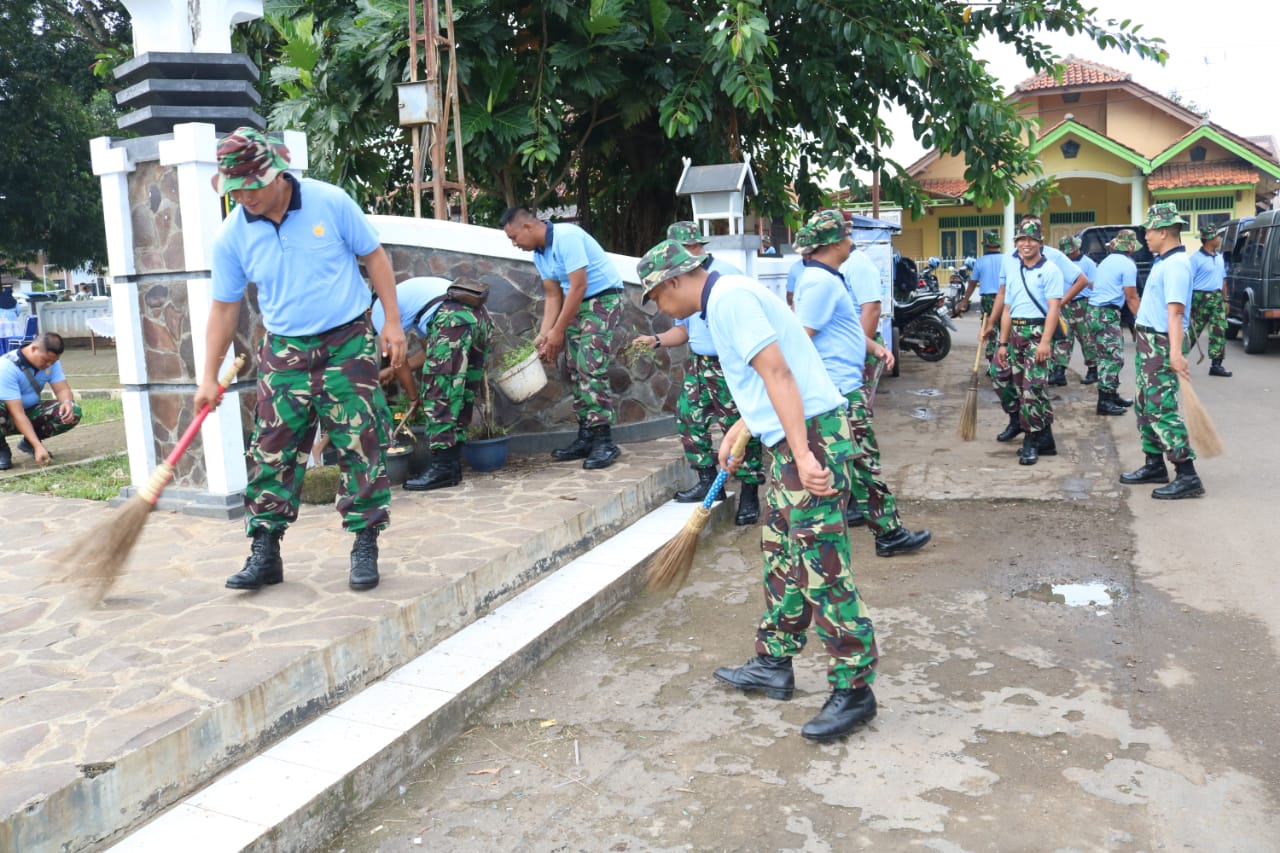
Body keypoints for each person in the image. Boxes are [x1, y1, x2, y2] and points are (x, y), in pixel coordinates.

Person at [637, 237, 878, 742]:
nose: (659, 308)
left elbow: (779, 372)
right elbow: (763, 380)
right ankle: (774, 662)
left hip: (810, 434)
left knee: (822, 564)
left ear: (676, 281)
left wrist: (805, 453)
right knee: (782, 554)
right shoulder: (724, 299)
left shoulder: (729, 300)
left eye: (656, 296)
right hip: (793, 435)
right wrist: (742, 429)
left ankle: (854, 687)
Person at [196, 127, 407, 593]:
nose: (243, 196)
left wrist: (392, 322)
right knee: (272, 449)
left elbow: (375, 258)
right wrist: (208, 376)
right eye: (234, 188)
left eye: (251, 184)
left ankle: (364, 542)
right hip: (285, 350)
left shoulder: (329, 202)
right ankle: (265, 551)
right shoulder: (231, 235)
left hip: (346, 341)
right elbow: (225, 308)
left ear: (276, 173)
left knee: (359, 444)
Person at [793, 210, 930, 557]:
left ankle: (884, 531)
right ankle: (886, 532)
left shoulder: (826, 278)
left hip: (840, 387)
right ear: (836, 243)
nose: (851, 242)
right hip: (838, 392)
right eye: (847, 236)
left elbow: (840, 328)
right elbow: (799, 339)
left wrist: (871, 346)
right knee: (862, 462)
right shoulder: (821, 283)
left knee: (857, 463)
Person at [632, 222, 764, 524]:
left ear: (694, 248)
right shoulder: (687, 286)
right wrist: (655, 341)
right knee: (688, 414)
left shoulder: (725, 277)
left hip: (728, 365)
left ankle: (748, 492)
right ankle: (707, 481)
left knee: (739, 426)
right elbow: (683, 331)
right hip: (700, 362)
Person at [499, 207, 622, 470]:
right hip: (576, 304)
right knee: (572, 367)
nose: (514, 244)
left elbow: (579, 286)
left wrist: (558, 331)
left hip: (603, 300)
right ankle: (587, 434)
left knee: (590, 364)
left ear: (528, 228)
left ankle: (604, 441)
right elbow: (554, 295)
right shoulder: (539, 254)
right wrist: (544, 335)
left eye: (514, 237)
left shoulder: (567, 237)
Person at [370, 276, 492, 492]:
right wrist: (392, 371)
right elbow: (430, 352)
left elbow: (399, 360)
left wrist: (413, 397)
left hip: (451, 318)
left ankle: (443, 467)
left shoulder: (379, 310)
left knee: (439, 394)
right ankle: (451, 465)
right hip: (478, 317)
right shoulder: (414, 302)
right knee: (461, 393)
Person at [1119, 203, 1204, 499]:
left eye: (1149, 231)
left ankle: (1187, 474)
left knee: (1161, 408)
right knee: (1144, 405)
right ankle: (1154, 463)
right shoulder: (1163, 261)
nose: (1145, 236)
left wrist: (1176, 353)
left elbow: (1176, 313)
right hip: (1147, 342)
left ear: (1164, 231)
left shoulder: (1177, 265)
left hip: (1160, 343)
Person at [993, 217, 1064, 466]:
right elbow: (1007, 310)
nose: (1026, 244)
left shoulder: (1051, 270)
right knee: (1019, 387)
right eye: (1021, 239)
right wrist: (1002, 343)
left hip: (1037, 334)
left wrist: (1045, 342)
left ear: (1040, 243)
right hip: (1016, 335)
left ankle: (1031, 441)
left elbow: (1054, 309)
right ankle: (1046, 438)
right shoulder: (1015, 270)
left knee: (1032, 390)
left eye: (1031, 239)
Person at [0, 332, 82, 470]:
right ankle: (1, 448)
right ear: (33, 348)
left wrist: (67, 402)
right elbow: (17, 414)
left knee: (74, 412)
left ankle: (28, 443)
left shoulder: (52, 363)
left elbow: (62, 390)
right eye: (45, 360)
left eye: (53, 361)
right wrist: (38, 446)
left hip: (29, 410)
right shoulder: (6, 368)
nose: (49, 364)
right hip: (7, 415)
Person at [1083, 231, 1141, 416]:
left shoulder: (1107, 261)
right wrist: (1142, 321)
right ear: (1130, 247)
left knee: (1106, 355)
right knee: (1113, 358)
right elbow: (1131, 297)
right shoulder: (1127, 265)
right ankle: (1104, 401)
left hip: (1094, 312)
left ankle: (1112, 394)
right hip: (1105, 313)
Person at [839, 240, 890, 405]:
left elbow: (872, 310)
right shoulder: (842, 264)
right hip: (850, 344)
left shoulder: (858, 264)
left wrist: (858, 353)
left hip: (862, 343)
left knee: (856, 408)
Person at [1187, 224, 1232, 378]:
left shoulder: (1219, 257)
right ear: (1208, 239)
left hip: (1217, 297)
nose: (1219, 239)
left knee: (1219, 330)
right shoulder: (1195, 259)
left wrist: (1226, 299)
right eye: (1216, 236)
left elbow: (1223, 279)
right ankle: (1176, 359)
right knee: (1193, 332)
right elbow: (1187, 282)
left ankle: (1216, 365)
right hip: (1200, 298)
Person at [1056, 235, 1099, 385]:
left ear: (1077, 248)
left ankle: (1093, 370)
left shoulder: (1088, 264)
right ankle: (1059, 372)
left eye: (1071, 251)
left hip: (1082, 304)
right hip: (1063, 305)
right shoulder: (1060, 262)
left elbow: (1094, 285)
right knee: (1063, 338)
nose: (1069, 254)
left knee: (1086, 338)